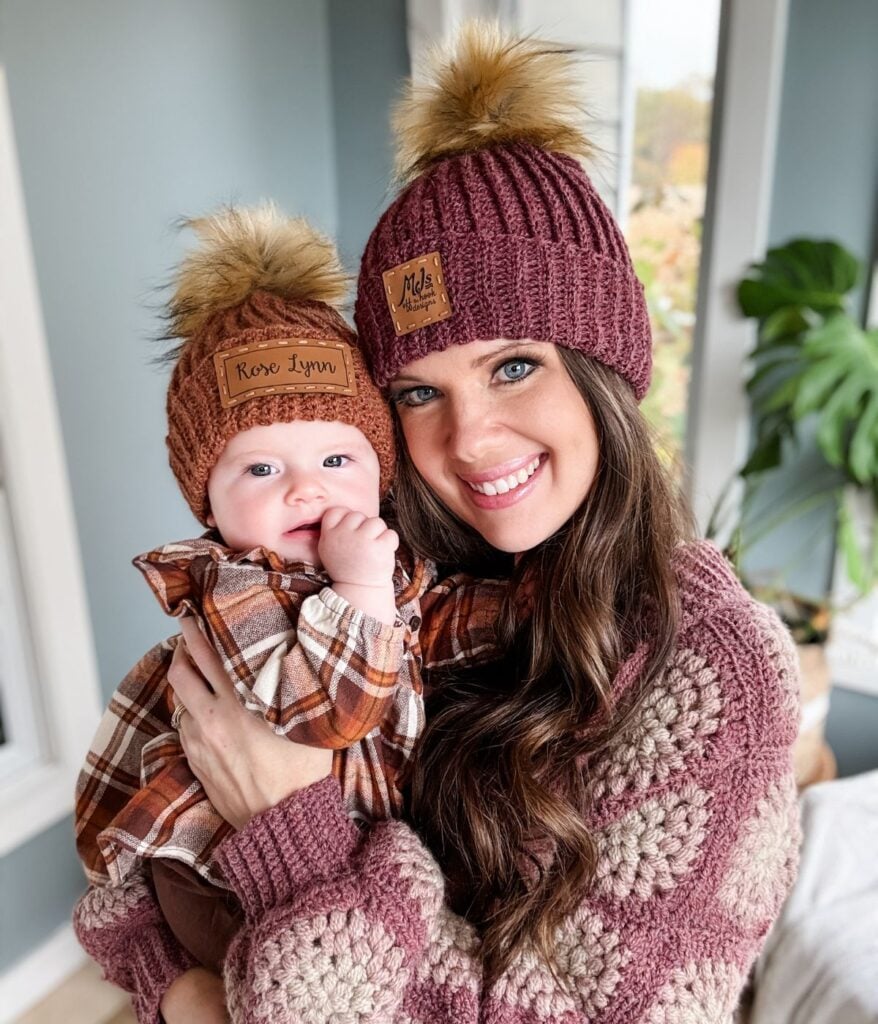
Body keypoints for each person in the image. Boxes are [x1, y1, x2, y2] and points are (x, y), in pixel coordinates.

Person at [74, 23, 801, 1024]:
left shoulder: (713, 670)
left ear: (602, 375)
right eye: (415, 393)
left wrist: (290, 833)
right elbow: (133, 841)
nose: (467, 438)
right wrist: (179, 991)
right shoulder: (368, 583)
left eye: (513, 365)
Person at [73, 204, 504, 1016]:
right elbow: (324, 714)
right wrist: (362, 592)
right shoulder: (241, 590)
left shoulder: (379, 565)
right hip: (223, 883)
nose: (305, 488)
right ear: (210, 505)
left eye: (336, 458)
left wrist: (517, 608)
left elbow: (440, 620)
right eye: (261, 469)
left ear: (379, 472)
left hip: (330, 881)